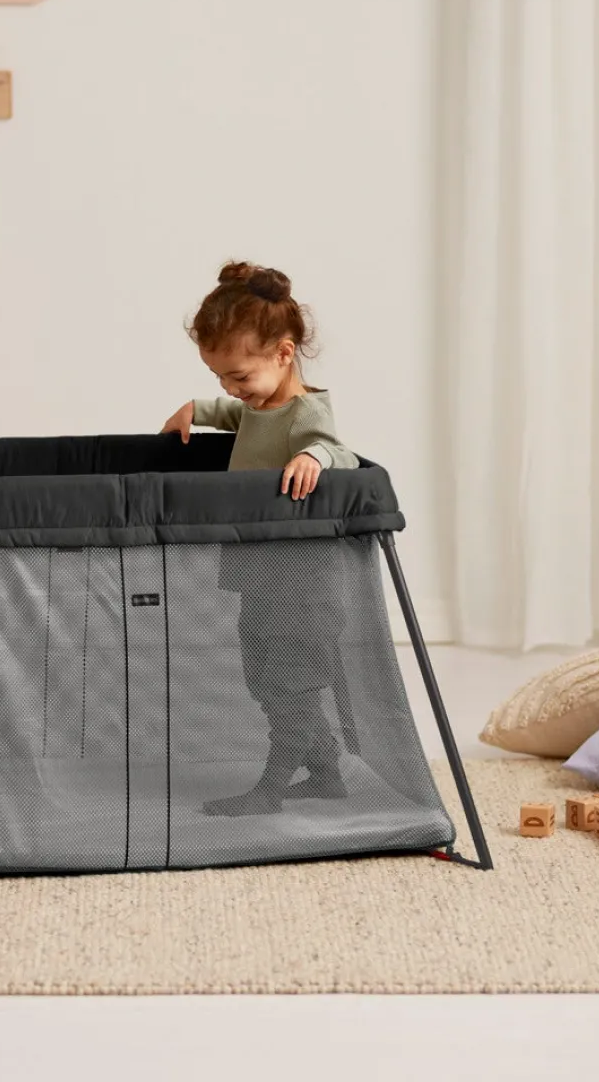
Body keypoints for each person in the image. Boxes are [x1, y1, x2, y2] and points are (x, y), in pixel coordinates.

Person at [161, 261, 360, 816]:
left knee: (290, 682)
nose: (231, 389)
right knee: (264, 678)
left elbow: (338, 451)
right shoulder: (261, 406)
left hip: (305, 581)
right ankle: (326, 773)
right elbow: (240, 415)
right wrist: (197, 409)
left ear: (283, 353)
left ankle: (271, 787)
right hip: (263, 576)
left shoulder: (306, 412)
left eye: (240, 377)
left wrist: (314, 456)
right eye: (219, 378)